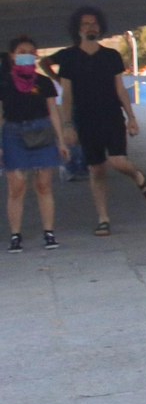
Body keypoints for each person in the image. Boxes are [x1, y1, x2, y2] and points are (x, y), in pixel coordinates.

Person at [44, 6, 146, 236]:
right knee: (96, 169)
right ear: (78, 29)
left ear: (100, 27)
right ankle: (103, 218)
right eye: (86, 24)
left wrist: (131, 117)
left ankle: (138, 176)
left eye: (94, 23)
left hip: (112, 115)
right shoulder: (69, 57)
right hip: (85, 118)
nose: (91, 27)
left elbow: (120, 88)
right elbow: (66, 95)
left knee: (118, 161)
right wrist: (66, 125)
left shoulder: (111, 56)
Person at [2, 37, 70, 252]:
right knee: (16, 186)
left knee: (43, 184)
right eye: (22, 51)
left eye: (31, 51)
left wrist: (61, 141)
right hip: (13, 133)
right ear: (12, 55)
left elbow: (53, 113)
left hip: (42, 133)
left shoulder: (43, 82)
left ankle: (49, 232)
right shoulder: (3, 82)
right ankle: (15, 234)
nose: (27, 55)